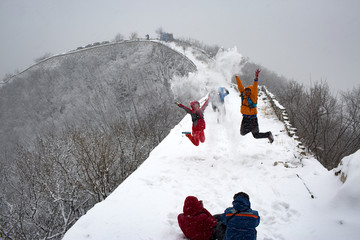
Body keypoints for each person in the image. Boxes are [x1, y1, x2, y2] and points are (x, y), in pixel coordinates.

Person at [235, 69, 274, 143]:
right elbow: (240, 86)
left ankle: (268, 134)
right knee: (242, 133)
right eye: (246, 90)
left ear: (251, 91)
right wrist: (236, 76)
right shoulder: (243, 95)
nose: (247, 91)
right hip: (245, 118)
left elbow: (255, 87)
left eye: (249, 90)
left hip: (253, 119)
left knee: (256, 135)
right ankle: (251, 129)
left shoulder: (253, 97)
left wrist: (256, 78)